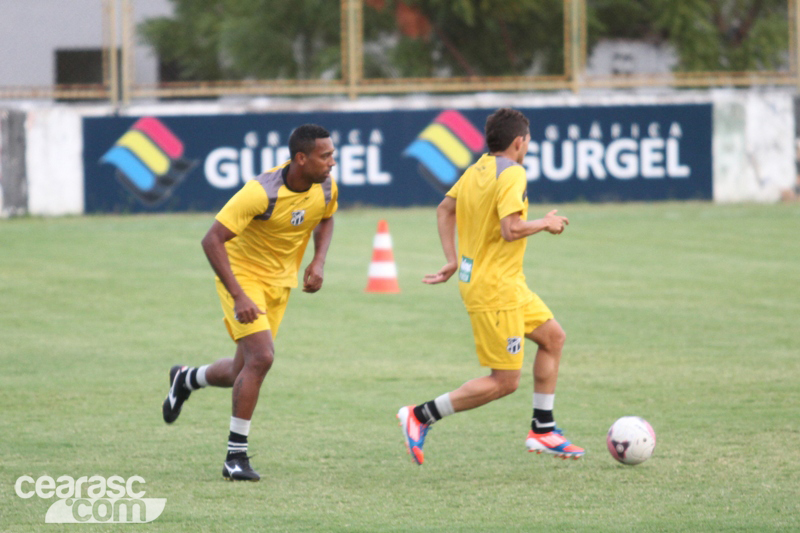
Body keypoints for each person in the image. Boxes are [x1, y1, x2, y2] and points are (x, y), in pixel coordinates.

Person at [397, 108, 584, 465]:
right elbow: (510, 229)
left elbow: (444, 209)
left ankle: (543, 430)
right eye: (528, 141)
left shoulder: (476, 169)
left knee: (553, 338)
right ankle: (419, 415)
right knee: (505, 381)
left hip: (507, 284)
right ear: (519, 141)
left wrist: (452, 259)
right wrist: (545, 223)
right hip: (495, 289)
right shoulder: (513, 172)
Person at [162, 124, 338, 481]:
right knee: (262, 358)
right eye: (325, 156)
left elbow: (326, 217)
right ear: (301, 158)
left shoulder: (326, 186)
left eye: (332, 155)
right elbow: (211, 240)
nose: (332, 162)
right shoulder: (260, 193)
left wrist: (318, 261)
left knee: (239, 371)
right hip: (242, 278)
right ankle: (235, 457)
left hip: (280, 284)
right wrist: (239, 295)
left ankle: (186, 378)